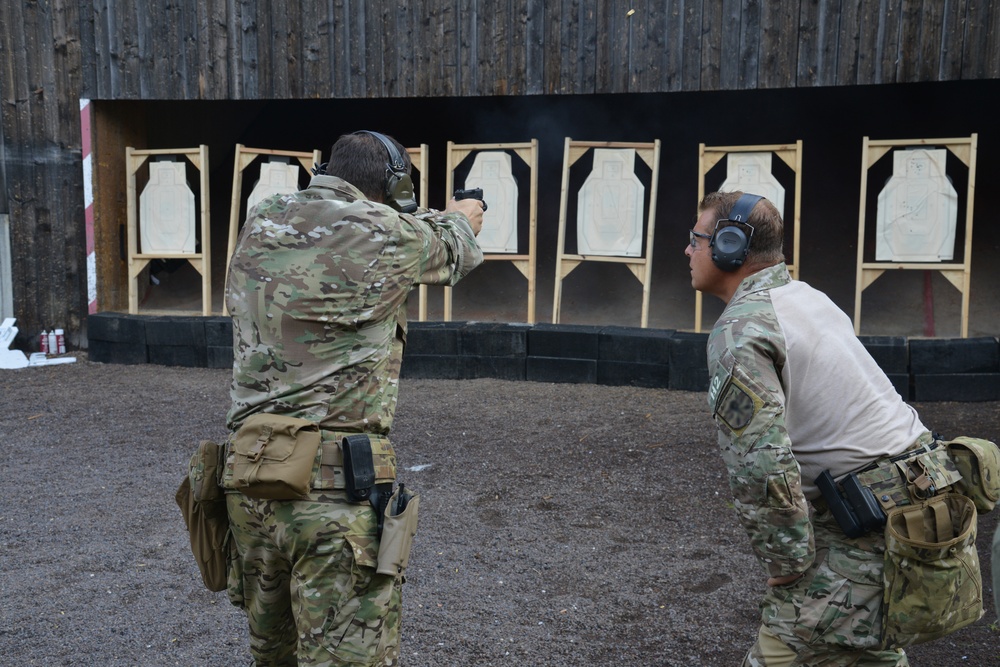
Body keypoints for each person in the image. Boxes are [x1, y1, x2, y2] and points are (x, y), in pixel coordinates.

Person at [223, 130, 484, 666]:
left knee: (274, 657)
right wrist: (460, 213)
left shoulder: (264, 217)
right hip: (332, 499)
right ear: (392, 186)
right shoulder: (389, 233)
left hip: (250, 487)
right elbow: (457, 248)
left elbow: (351, 225)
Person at [685, 190, 979, 666]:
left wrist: (786, 565)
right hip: (922, 507)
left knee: (781, 652)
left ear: (730, 246)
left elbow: (761, 464)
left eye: (696, 238)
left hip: (867, 523)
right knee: (869, 653)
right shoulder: (808, 297)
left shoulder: (741, 329)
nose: (688, 250)